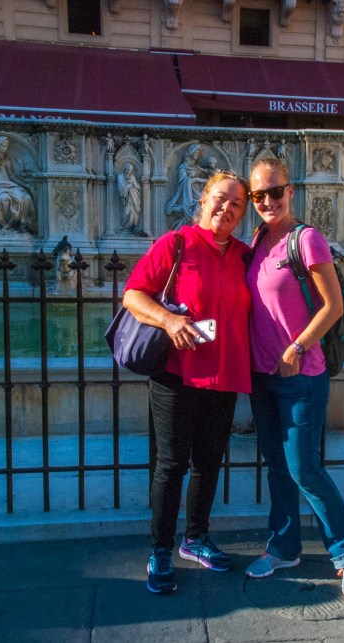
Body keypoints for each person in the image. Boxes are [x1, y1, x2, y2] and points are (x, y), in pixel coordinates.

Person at [244, 157, 344, 598]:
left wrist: (297, 348)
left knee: (305, 469)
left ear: (290, 190)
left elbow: (332, 306)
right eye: (258, 195)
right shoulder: (258, 241)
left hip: (302, 373)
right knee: (277, 467)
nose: (267, 201)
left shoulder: (307, 239)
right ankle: (284, 548)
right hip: (262, 374)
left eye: (274, 191)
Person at [122, 170, 252, 594]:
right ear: (203, 199)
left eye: (236, 204)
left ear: (242, 214)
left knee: (209, 462)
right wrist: (168, 319)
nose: (226, 208)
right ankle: (160, 549)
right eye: (220, 198)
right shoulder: (176, 244)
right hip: (176, 373)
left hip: (224, 374)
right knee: (172, 463)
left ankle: (195, 538)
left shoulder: (245, 256)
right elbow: (133, 294)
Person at [164, 143, 208, 229]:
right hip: (187, 196)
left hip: (198, 193)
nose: (198, 154)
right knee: (194, 212)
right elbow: (184, 182)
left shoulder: (198, 167)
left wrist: (200, 179)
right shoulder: (183, 167)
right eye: (197, 152)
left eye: (199, 153)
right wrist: (196, 179)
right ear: (192, 152)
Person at [118, 163, 144, 234]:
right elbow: (121, 188)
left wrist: (134, 184)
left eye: (130, 170)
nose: (128, 171)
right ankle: (124, 227)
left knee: (133, 213)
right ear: (125, 169)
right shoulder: (120, 177)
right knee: (126, 212)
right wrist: (128, 185)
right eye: (127, 169)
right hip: (127, 198)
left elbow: (138, 187)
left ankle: (131, 227)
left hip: (134, 198)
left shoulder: (132, 177)